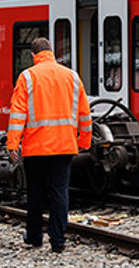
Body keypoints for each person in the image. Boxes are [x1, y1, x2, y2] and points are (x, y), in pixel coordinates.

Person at [7, 37, 92, 252]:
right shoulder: (72, 76)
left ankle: (35, 237)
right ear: (52, 52)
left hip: (36, 148)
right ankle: (58, 242)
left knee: (35, 193)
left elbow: (18, 115)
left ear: (33, 55)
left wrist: (12, 144)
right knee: (59, 192)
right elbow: (85, 114)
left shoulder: (27, 77)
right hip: (64, 146)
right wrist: (84, 141)